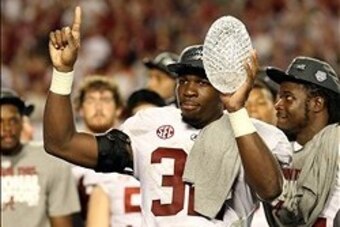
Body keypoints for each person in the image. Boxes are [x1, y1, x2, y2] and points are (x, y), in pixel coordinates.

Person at [44, 7, 289, 226]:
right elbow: (61, 143)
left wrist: (236, 113)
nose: (189, 90)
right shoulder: (150, 125)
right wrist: (63, 72)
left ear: (223, 86)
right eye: (183, 81)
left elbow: (270, 189)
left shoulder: (255, 133)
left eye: (202, 82)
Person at [263, 56, 340, 227]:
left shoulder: (336, 146)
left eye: (288, 97)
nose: (277, 104)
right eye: (279, 96)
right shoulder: (278, 151)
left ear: (317, 103)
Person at [1, 88, 80, 227]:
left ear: (22, 123)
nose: (6, 128)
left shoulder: (52, 161)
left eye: (13, 120)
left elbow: (62, 222)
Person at [71, 75, 142, 227]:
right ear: (80, 109)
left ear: (118, 109)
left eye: (105, 100)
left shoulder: (134, 149)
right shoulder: (66, 156)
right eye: (91, 100)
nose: (98, 107)